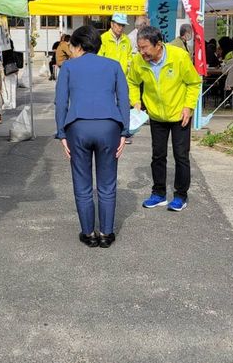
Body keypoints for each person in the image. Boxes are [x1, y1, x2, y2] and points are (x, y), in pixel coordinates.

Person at [55, 25, 129, 248]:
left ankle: (88, 233)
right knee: (107, 183)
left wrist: (61, 134)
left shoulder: (68, 67)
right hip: (109, 128)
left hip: (78, 127)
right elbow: (123, 100)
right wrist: (124, 132)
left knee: (82, 182)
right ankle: (106, 233)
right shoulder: (114, 66)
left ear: (78, 46)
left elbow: (61, 102)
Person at [128, 26, 200, 212]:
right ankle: (158, 194)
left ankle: (180, 195)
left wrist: (188, 106)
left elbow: (193, 83)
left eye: (145, 48)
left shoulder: (179, 56)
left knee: (181, 156)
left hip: (179, 114)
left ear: (158, 45)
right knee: (158, 155)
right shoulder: (139, 61)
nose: (141, 52)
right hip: (157, 116)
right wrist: (135, 101)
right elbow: (132, 82)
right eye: (139, 47)